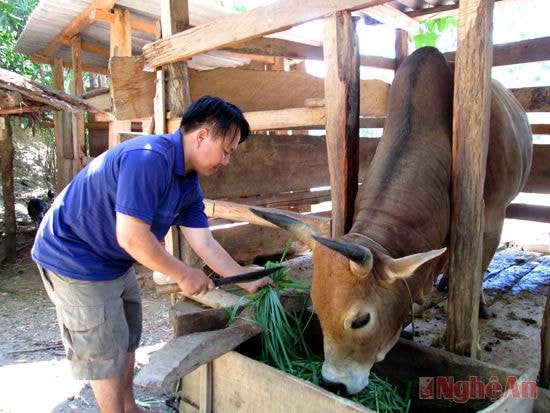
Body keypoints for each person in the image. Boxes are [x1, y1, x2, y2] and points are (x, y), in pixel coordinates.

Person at [31, 96, 272, 413]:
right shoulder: (148, 158)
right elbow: (131, 236)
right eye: (226, 150)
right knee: (105, 351)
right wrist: (183, 273)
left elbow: (205, 243)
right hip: (75, 255)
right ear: (201, 136)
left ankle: (129, 407)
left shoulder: (188, 183)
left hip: (113, 259)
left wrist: (245, 280)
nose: (226, 161)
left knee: (128, 335)